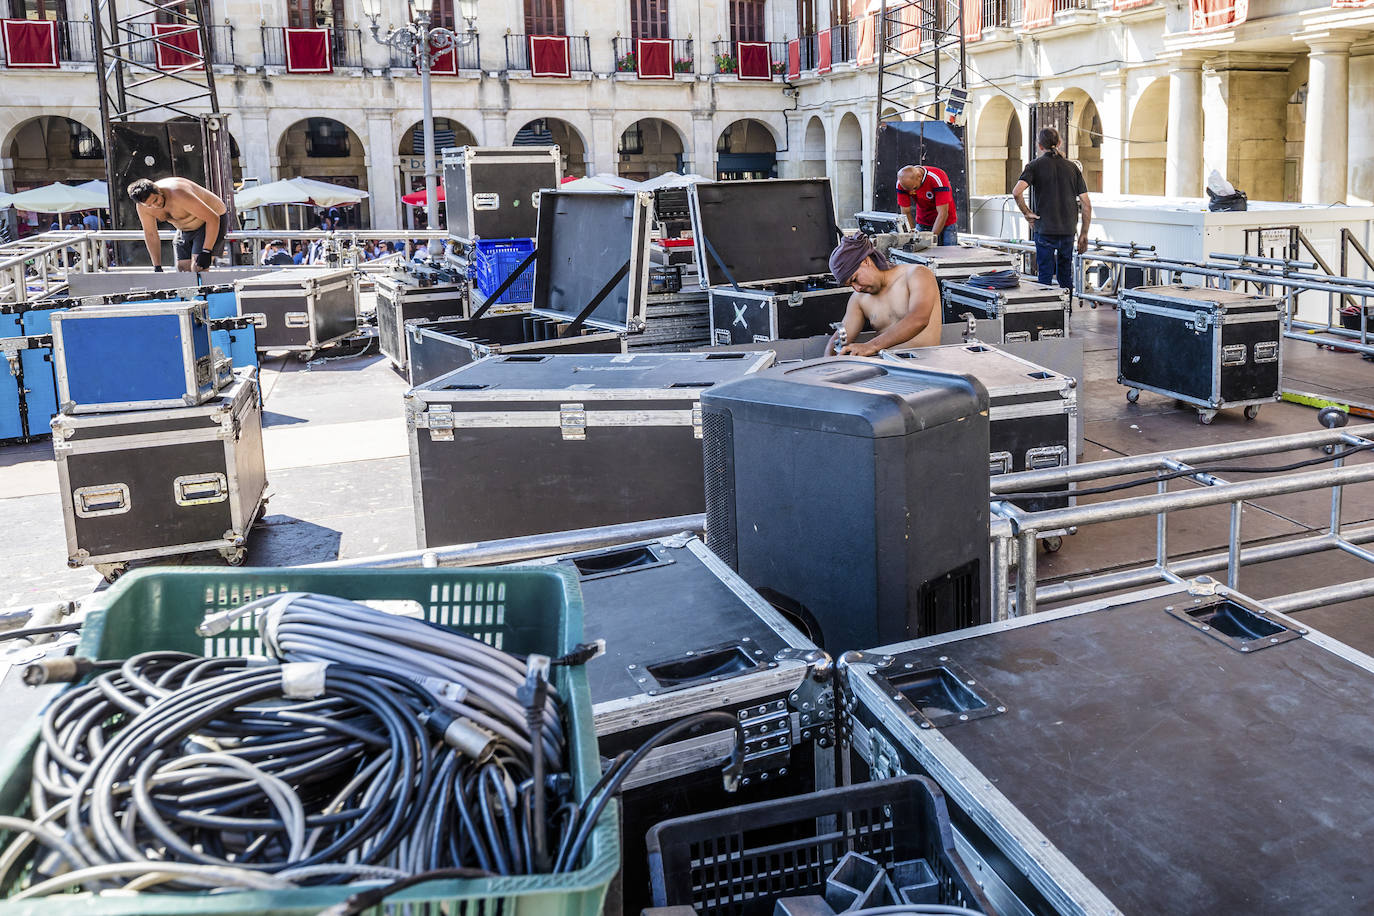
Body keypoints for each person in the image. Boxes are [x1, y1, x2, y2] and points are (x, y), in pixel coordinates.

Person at [825, 234, 942, 356]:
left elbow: (919, 319)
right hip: (885, 366)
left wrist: (871, 346)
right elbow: (840, 338)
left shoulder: (917, 274)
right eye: (851, 285)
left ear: (866, 261)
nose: (857, 288)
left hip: (925, 365)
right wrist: (829, 360)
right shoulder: (859, 299)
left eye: (855, 279)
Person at [1012, 127, 1093, 289]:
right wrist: (1084, 233)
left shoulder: (1034, 166)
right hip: (1068, 230)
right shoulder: (1072, 168)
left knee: (1045, 276)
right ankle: (1067, 305)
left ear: (1040, 146)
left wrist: (1027, 213)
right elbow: (1086, 204)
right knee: (1065, 276)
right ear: (1060, 143)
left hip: (1044, 229)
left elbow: (1016, 192)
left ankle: (1046, 305)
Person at [127, 176, 227, 273]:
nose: (155, 205)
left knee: (198, 267)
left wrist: (206, 251)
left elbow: (213, 218)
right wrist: (157, 266)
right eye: (149, 205)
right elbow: (150, 234)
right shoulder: (142, 208)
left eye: (156, 200)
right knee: (183, 269)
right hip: (184, 228)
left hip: (211, 221)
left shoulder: (179, 193)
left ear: (159, 190)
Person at [895, 164, 957, 245]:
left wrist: (930, 241)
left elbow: (943, 213)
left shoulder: (936, 178)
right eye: (908, 190)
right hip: (923, 221)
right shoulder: (901, 184)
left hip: (946, 222)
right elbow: (905, 212)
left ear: (919, 177)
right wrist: (911, 236)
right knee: (918, 249)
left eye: (914, 188)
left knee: (948, 252)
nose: (912, 192)